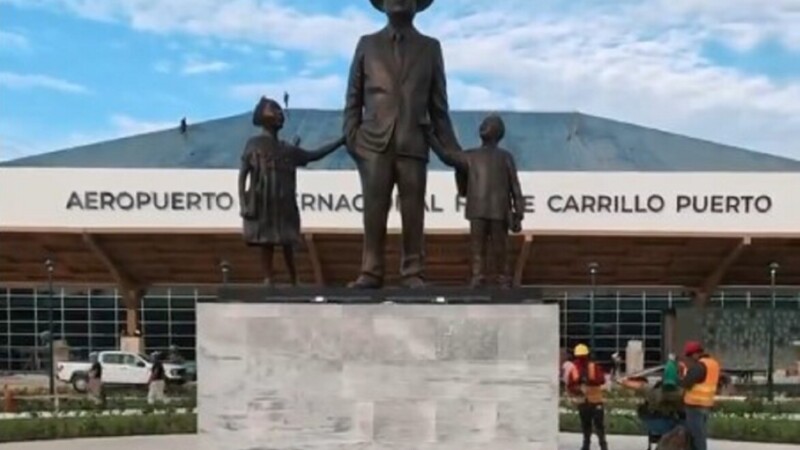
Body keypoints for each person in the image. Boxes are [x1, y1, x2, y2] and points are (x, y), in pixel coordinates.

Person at [344, 0, 463, 289]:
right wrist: (352, 137)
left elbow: (439, 107)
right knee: (374, 209)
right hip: (373, 142)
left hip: (414, 141)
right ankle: (371, 270)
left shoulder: (430, 47)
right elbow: (353, 97)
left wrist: (455, 153)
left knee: (413, 210)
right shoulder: (367, 44)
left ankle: (412, 271)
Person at [239, 97, 345, 285]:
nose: (279, 113)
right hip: (264, 201)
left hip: (285, 202)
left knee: (287, 239)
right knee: (266, 241)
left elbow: (313, 155)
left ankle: (294, 278)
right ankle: (268, 277)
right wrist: (244, 202)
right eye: (274, 109)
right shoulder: (253, 144)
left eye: (280, 110)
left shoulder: (288, 149)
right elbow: (243, 174)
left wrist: (341, 141)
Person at [426, 115, 524, 288]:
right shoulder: (470, 155)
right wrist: (430, 136)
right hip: (477, 210)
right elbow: (447, 157)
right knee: (477, 248)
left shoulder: (505, 157)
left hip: (499, 210)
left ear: (498, 132)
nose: (483, 126)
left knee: (500, 247)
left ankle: (503, 278)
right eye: (483, 124)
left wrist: (519, 213)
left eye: (488, 124)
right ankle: (478, 277)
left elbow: (515, 187)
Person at [566, 344, 608, 450]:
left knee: (588, 425)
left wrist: (582, 386)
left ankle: (588, 446)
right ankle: (600, 446)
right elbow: (601, 380)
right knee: (597, 425)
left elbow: (570, 385)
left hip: (587, 400)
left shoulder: (576, 367)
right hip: (592, 400)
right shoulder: (591, 366)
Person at [680, 341, 720, 450]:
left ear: (695, 354)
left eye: (689, 356)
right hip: (706, 405)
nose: (689, 359)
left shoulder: (699, 367)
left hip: (694, 406)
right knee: (699, 435)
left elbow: (686, 383)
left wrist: (683, 373)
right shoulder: (713, 364)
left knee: (697, 437)